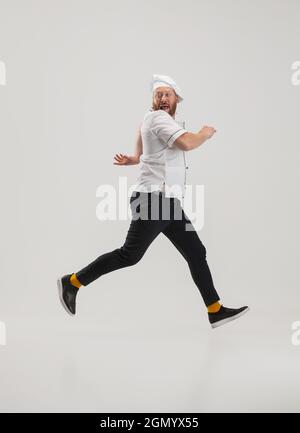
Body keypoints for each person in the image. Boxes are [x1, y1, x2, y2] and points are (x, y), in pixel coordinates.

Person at [57, 74, 249, 328]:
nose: (163, 98)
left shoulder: (156, 120)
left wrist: (135, 158)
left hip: (168, 201)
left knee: (196, 252)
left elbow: (144, 145)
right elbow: (186, 143)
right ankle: (72, 282)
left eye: (168, 94)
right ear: (154, 100)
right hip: (153, 200)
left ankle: (214, 309)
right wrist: (204, 133)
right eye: (158, 94)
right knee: (130, 255)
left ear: (176, 99)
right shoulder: (159, 119)